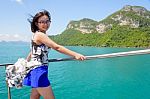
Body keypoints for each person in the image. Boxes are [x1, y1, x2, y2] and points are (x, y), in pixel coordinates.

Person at [23, 10, 86, 99]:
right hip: (39, 71)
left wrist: (26, 62)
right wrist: (75, 54)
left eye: (47, 21)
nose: (45, 24)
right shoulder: (40, 35)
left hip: (36, 70)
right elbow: (57, 47)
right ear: (37, 24)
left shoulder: (37, 35)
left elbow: (32, 52)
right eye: (42, 22)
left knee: (34, 97)